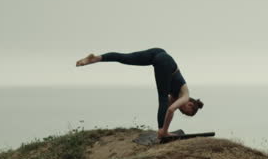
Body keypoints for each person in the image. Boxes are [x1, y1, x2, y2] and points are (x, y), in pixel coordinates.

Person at [75, 48, 204, 138]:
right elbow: (170, 110)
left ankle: (95, 59)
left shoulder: (177, 96)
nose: (181, 110)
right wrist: (164, 131)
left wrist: (167, 124)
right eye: (185, 111)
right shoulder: (185, 95)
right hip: (164, 62)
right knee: (162, 98)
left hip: (159, 53)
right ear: (190, 104)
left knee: (125, 58)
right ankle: (161, 131)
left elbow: (167, 110)